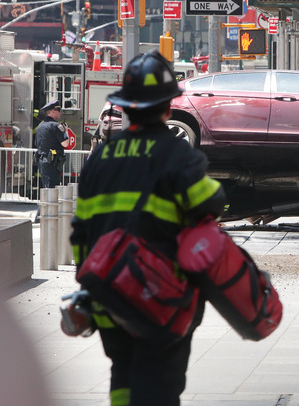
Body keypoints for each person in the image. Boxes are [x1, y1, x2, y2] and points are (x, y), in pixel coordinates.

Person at [70, 50, 231, 406]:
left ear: (126, 107)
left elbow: (81, 231)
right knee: (159, 384)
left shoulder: (100, 158)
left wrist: (89, 286)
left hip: (107, 292)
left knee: (122, 373)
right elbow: (212, 203)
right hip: (161, 295)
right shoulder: (177, 154)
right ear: (168, 107)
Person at [34, 99, 72, 189]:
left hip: (42, 161)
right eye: (59, 110)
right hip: (52, 162)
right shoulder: (57, 126)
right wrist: (65, 131)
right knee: (52, 189)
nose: (61, 113)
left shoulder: (40, 125)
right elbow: (66, 143)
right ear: (52, 111)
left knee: (46, 186)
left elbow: (37, 143)